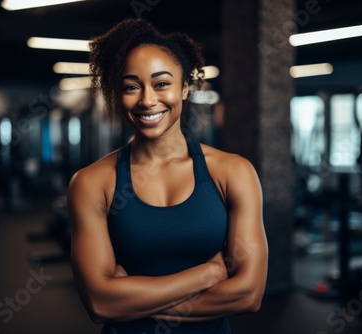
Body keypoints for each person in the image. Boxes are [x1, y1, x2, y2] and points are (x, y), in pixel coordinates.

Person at [67, 18, 268, 334]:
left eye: (161, 83)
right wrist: (206, 275)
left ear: (185, 87)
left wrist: (130, 299)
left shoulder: (233, 172)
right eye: (131, 86)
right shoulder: (91, 183)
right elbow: (100, 303)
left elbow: (249, 294)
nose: (147, 100)